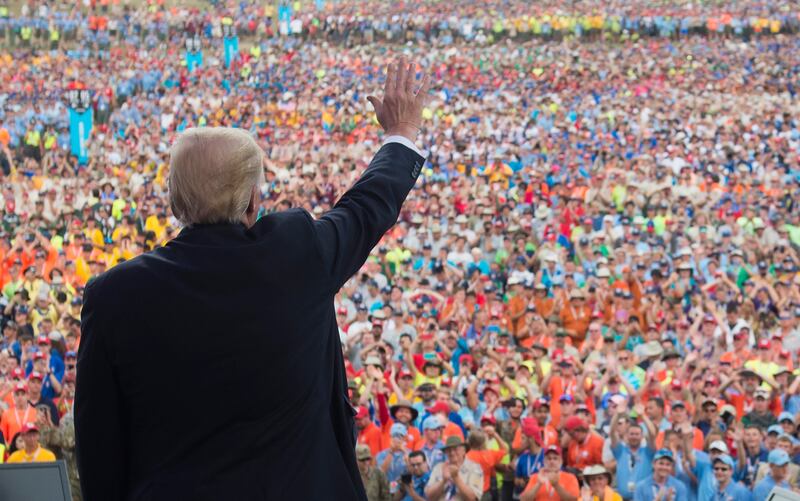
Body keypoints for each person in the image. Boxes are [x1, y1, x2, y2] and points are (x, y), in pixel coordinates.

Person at [75, 58, 432, 500]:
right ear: (252, 201)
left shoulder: (113, 295)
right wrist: (401, 133)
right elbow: (366, 207)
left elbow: (98, 449)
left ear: (174, 202)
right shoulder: (296, 253)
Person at [425, 436, 483, 501]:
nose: (452, 453)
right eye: (449, 450)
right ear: (445, 452)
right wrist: (443, 481)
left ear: (464, 451)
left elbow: (473, 498)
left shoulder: (474, 468)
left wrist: (456, 478)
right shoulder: (439, 467)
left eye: (455, 449)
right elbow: (429, 496)